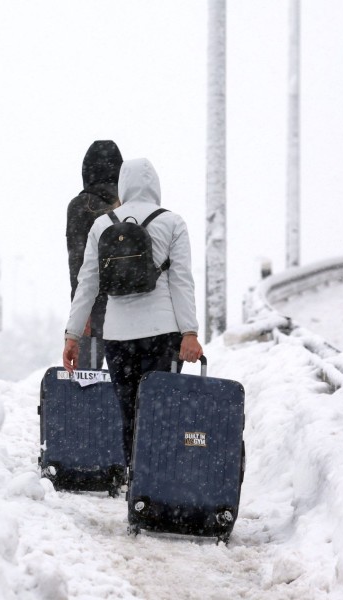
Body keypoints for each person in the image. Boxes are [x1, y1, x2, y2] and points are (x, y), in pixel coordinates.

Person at [62, 157, 203, 469]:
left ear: (123, 185)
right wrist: (189, 333)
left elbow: (88, 284)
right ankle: (158, 483)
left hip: (117, 336)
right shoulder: (172, 222)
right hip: (163, 335)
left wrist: (72, 335)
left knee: (129, 413)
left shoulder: (102, 224)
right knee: (162, 413)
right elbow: (182, 282)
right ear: (156, 185)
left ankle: (135, 483)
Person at [66, 140, 124, 370]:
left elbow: (78, 264)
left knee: (87, 385)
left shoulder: (82, 205)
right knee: (125, 387)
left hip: (94, 307)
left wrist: (80, 315)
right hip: (131, 309)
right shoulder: (127, 204)